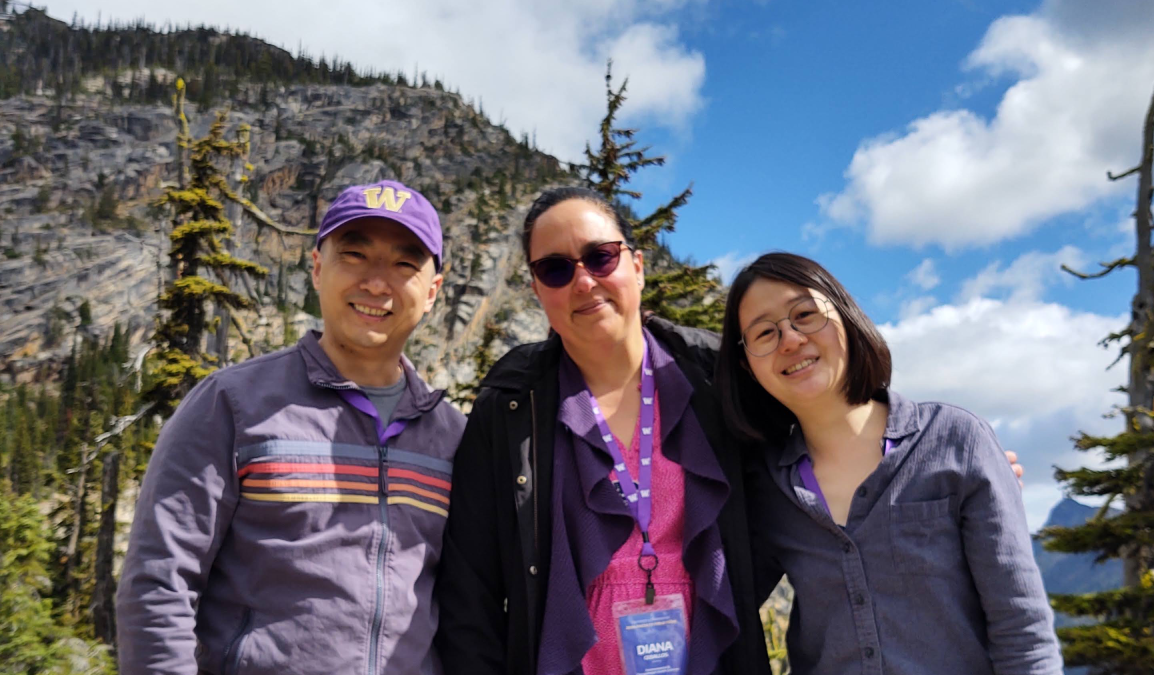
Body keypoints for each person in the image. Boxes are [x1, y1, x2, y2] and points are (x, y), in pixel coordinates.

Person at [116, 180, 466, 675]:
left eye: (404, 264)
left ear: (431, 292)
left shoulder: (454, 438)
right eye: (354, 255)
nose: (376, 283)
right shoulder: (232, 404)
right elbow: (158, 584)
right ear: (317, 269)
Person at [435, 187, 771, 675]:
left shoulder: (717, 378)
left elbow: (784, 505)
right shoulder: (509, 407)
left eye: (600, 257)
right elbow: (470, 591)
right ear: (536, 288)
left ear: (636, 264)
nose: (584, 282)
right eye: (555, 269)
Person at [714, 252, 1062, 675]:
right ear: (748, 368)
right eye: (764, 333)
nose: (790, 339)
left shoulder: (956, 440)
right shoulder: (767, 486)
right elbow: (720, 598)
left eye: (804, 314)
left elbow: (1022, 631)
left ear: (845, 316)